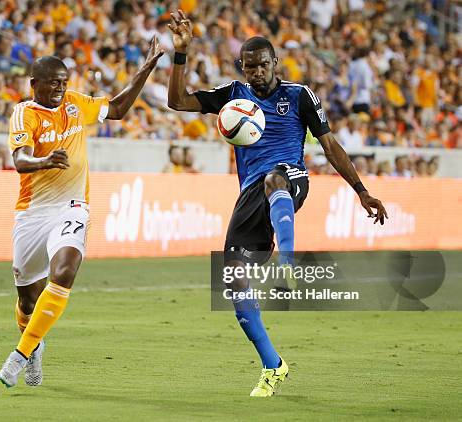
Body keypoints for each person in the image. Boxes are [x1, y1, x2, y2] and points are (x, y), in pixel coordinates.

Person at [166, 11, 387, 398]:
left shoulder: (299, 95)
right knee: (233, 282)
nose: (256, 73)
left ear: (275, 64)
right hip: (251, 193)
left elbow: (330, 145)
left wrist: (361, 190)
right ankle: (273, 365)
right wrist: (180, 54)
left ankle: (289, 263)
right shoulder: (233, 94)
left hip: (289, 178)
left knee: (274, 179)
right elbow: (178, 102)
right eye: (249, 67)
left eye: (262, 65)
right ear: (243, 67)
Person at [0, 38, 165, 388]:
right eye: (53, 82)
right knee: (28, 297)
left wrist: (146, 68)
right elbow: (19, 160)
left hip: (73, 206)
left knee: (65, 271)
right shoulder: (24, 113)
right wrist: (44, 161)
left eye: (64, 81)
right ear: (34, 84)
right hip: (33, 211)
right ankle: (35, 343)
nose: (60, 88)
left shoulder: (74, 104)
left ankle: (20, 354)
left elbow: (117, 109)